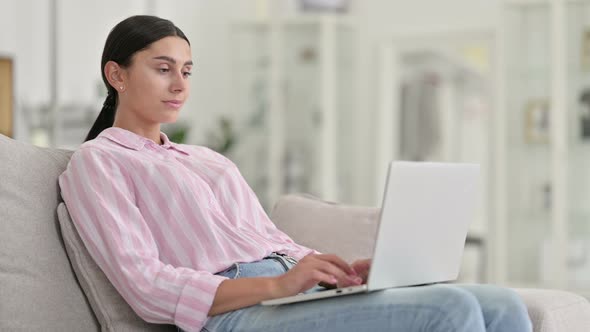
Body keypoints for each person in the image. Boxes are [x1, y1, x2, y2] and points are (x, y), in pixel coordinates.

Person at [59, 15, 533, 332]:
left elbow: (269, 238)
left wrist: (334, 269)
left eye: (187, 69)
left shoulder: (208, 159)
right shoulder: (98, 162)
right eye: (163, 69)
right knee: (455, 310)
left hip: (288, 291)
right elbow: (145, 284)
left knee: (505, 305)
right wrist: (275, 286)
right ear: (116, 75)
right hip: (237, 312)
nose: (180, 84)